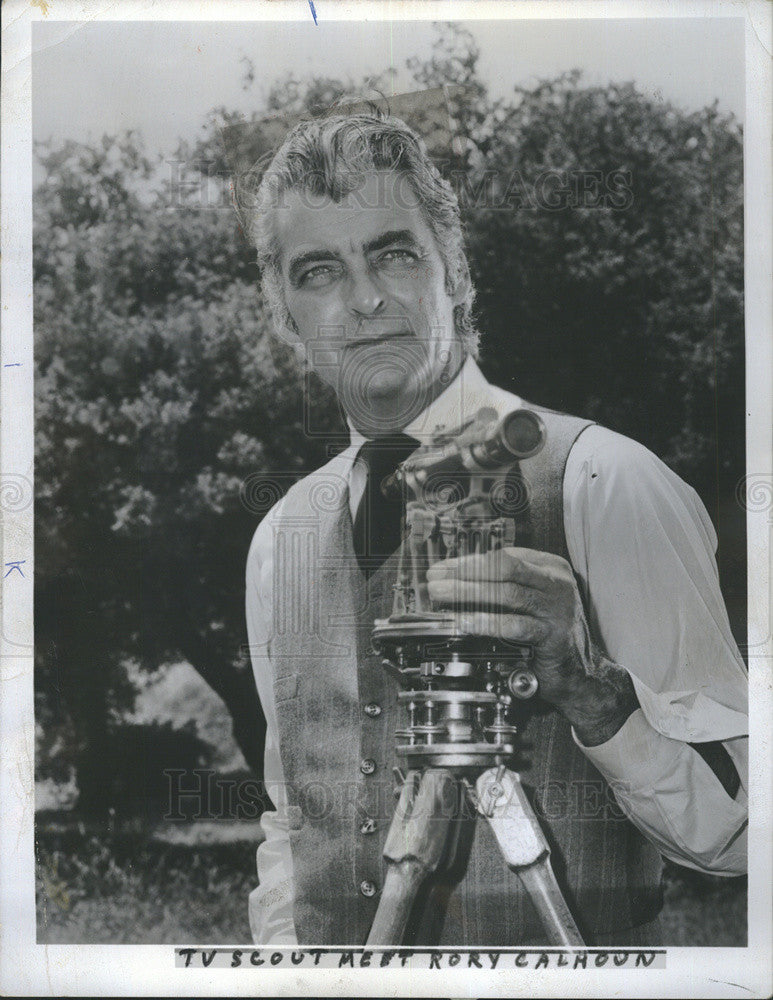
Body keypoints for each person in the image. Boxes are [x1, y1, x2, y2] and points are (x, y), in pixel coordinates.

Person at [240, 109, 748, 947]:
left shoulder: (603, 482)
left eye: (394, 254)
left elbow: (739, 838)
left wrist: (592, 691)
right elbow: (292, 824)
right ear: (287, 317)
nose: (364, 300)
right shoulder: (278, 539)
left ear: (456, 273)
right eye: (319, 271)